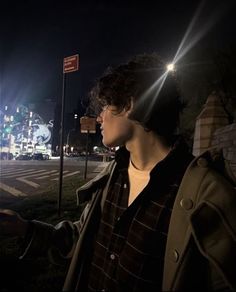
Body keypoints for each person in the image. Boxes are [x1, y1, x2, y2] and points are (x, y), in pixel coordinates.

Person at [1, 53, 236, 292]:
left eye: (105, 105)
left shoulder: (205, 193)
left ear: (130, 105)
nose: (99, 117)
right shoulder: (111, 177)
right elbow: (79, 240)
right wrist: (23, 227)